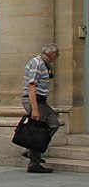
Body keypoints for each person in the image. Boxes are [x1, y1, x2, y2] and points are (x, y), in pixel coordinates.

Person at [22, 43, 60, 173]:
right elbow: (32, 86)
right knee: (38, 131)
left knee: (53, 123)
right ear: (51, 53)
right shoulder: (37, 63)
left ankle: (31, 149)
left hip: (42, 102)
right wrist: (35, 108)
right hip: (36, 101)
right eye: (57, 54)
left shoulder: (44, 63)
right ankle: (34, 163)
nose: (57, 57)